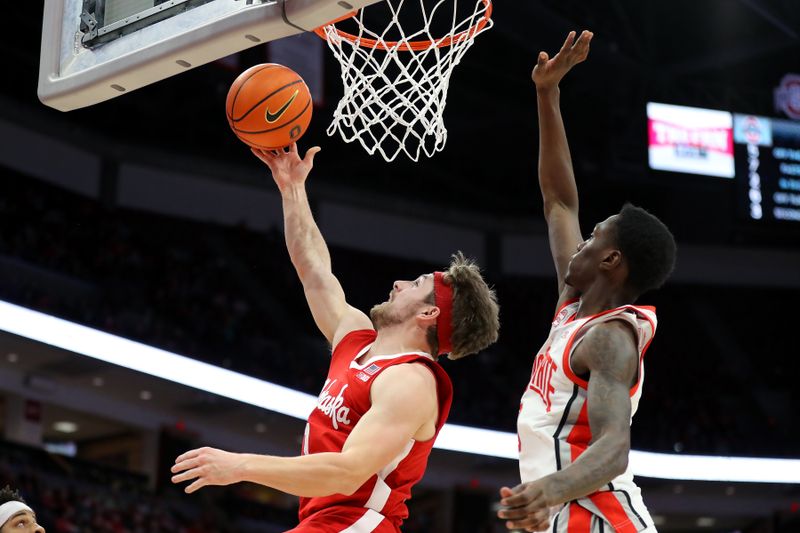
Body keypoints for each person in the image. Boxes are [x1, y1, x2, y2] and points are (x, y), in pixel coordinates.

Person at [172, 143, 501, 532]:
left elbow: (348, 472)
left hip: (358, 523)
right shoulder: (357, 339)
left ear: (429, 313)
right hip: (326, 521)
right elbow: (314, 271)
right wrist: (292, 188)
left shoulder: (411, 381)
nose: (398, 283)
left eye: (415, 284)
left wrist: (239, 466)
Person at [497, 31, 676, 532]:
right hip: (557, 514)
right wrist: (546, 94)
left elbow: (614, 446)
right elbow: (559, 202)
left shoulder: (609, 338)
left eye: (593, 237)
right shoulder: (572, 307)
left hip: (598, 521)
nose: (581, 241)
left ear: (611, 260)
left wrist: (548, 490)